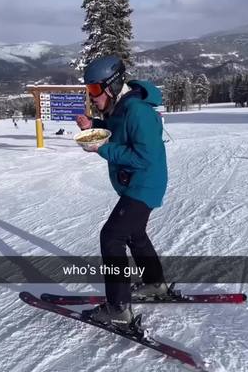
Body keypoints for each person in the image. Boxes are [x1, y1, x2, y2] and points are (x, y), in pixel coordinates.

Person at [76, 55, 168, 330]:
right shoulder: (122, 107)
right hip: (139, 183)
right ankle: (155, 284)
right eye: (89, 90)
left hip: (145, 183)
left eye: (94, 90)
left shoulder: (137, 110)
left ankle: (118, 308)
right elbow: (117, 131)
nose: (92, 97)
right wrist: (93, 126)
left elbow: (144, 157)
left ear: (112, 86)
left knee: (112, 236)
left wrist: (100, 148)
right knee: (134, 233)